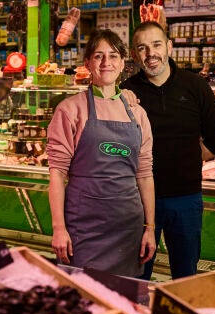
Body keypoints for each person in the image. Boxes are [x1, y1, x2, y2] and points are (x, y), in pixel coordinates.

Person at [120, 21, 215, 280]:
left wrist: (186, 158)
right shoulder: (127, 91)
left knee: (186, 275)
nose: (150, 54)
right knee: (137, 275)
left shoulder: (195, 86)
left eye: (156, 45)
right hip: (140, 200)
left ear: (169, 46)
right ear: (134, 55)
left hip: (186, 198)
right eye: (142, 48)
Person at [46, 29, 156, 278]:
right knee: (80, 295)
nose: (106, 63)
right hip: (84, 226)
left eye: (113, 56)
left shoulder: (137, 113)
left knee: (124, 300)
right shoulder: (70, 110)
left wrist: (150, 227)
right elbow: (57, 174)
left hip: (128, 226)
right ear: (87, 63)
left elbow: (145, 175)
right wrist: (59, 228)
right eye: (98, 56)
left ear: (122, 64)